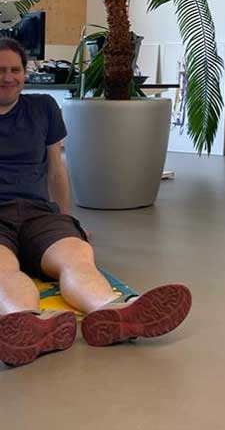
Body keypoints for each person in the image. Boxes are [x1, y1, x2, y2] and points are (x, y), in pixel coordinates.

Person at [0, 38, 191, 367]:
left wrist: (67, 220)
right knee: (3, 270)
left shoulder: (43, 107)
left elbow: (57, 170)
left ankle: (113, 311)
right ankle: (29, 322)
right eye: (0, 70)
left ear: (24, 74)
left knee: (77, 258)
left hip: (39, 214)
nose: (8, 77)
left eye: (15, 70)